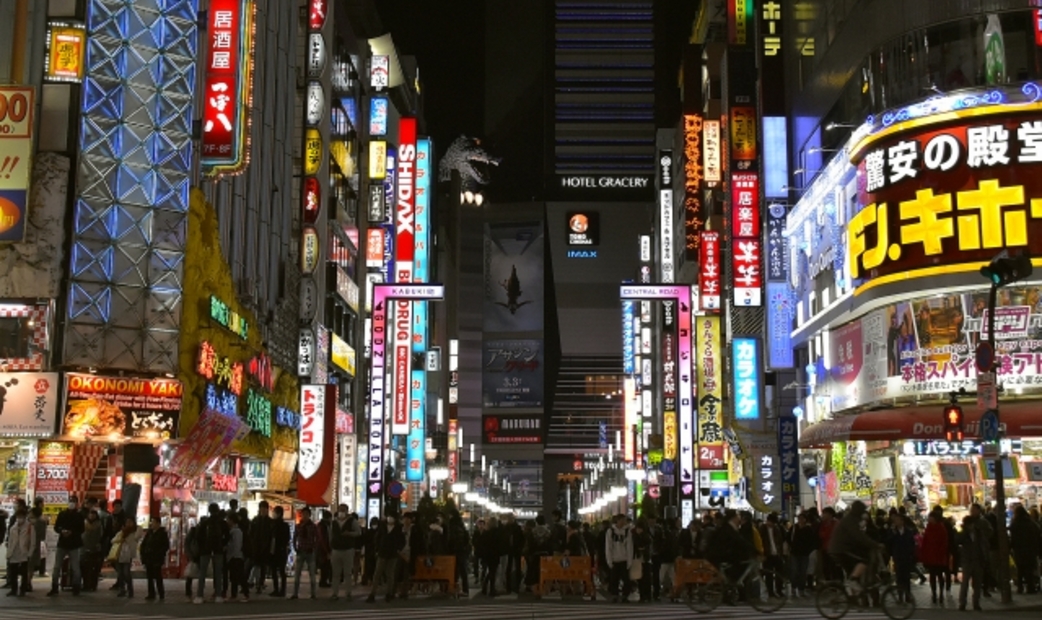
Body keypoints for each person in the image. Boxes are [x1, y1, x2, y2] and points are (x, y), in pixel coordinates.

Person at [827, 501, 880, 593]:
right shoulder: (851, 520)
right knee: (864, 560)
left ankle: (853, 596)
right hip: (842, 549)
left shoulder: (850, 519)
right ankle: (853, 582)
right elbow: (859, 536)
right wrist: (875, 545)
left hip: (840, 549)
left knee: (852, 571)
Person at [706, 509, 757, 586]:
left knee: (737, 567)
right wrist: (755, 551)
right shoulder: (728, 528)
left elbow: (740, 541)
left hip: (722, 554)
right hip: (719, 555)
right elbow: (739, 540)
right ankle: (732, 588)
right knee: (738, 565)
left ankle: (732, 588)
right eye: (738, 516)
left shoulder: (730, 527)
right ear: (733, 518)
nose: (739, 518)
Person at [194, 502, 230, 604]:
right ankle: (218, 595)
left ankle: (199, 596)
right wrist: (223, 545)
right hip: (218, 550)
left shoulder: (205, 522)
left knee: (202, 573)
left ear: (209, 511)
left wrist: (202, 547)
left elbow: (198, 537)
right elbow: (227, 536)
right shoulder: (222, 523)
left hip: (205, 550)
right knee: (218, 573)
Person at [49, 494, 84, 596]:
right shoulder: (62, 514)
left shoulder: (79, 516)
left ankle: (76, 587)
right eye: (70, 501)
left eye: (73, 501)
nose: (71, 503)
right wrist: (61, 531)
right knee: (57, 567)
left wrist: (72, 532)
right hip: (62, 543)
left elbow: (82, 529)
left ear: (76, 503)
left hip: (74, 544)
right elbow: (56, 527)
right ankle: (54, 586)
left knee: (75, 567)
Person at [366, 514, 405, 603]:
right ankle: (372, 594)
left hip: (392, 554)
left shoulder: (398, 528)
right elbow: (377, 538)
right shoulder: (382, 527)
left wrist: (398, 549)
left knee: (390, 574)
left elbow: (402, 540)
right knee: (377, 574)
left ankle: (389, 593)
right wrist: (377, 549)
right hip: (382, 553)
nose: (390, 518)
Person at [329, 504, 361, 601]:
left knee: (347, 573)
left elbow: (358, 532)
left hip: (348, 549)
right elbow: (330, 535)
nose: (341, 512)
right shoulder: (334, 522)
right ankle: (335, 593)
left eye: (343, 510)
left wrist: (349, 534)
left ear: (347, 511)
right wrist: (331, 547)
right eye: (340, 510)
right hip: (336, 549)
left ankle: (348, 593)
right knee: (335, 573)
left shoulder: (352, 521)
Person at [958, 514, 988, 611]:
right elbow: (958, 541)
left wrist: (984, 557)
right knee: (965, 583)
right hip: (967, 561)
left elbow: (983, 544)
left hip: (978, 560)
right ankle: (962, 603)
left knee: (977, 584)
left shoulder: (979, 533)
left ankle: (976, 603)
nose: (970, 527)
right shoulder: (963, 534)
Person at [920, 510, 950, 604]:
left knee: (940, 575)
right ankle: (934, 593)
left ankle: (941, 593)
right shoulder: (929, 528)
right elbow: (925, 541)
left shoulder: (941, 528)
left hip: (938, 555)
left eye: (931, 518)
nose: (929, 519)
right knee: (932, 576)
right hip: (930, 555)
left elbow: (944, 543)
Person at [887, 513, 918, 602]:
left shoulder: (908, 531)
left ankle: (907, 596)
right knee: (899, 577)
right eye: (895, 520)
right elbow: (889, 542)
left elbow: (912, 543)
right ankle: (900, 596)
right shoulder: (893, 531)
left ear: (902, 521)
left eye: (898, 520)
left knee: (907, 577)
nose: (896, 522)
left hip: (907, 556)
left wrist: (911, 554)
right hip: (897, 556)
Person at [1010, 504, 1040, 594]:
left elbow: (1013, 536)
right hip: (1030, 549)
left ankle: (1020, 587)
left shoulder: (1015, 523)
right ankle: (1030, 587)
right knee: (1029, 569)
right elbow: (1037, 534)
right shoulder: (1030, 522)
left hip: (1019, 549)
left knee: (1020, 569)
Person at [290, 507, 320, 600]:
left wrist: (314, 547)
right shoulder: (299, 526)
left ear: (309, 515)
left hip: (310, 551)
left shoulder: (313, 526)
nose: (305, 516)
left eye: (306, 514)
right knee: (297, 573)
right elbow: (295, 537)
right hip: (301, 550)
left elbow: (318, 538)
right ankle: (295, 593)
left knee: (312, 574)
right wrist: (295, 548)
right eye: (303, 514)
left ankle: (313, 593)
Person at [604, 513, 633, 603]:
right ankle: (614, 595)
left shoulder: (627, 531)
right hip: (614, 559)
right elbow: (608, 547)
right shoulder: (610, 531)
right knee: (614, 579)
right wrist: (609, 560)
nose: (624, 522)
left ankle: (625, 595)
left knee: (626, 579)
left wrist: (629, 560)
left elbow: (629, 547)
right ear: (618, 520)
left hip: (624, 559)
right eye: (622, 520)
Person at [7, 507, 34, 596]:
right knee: (13, 572)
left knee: (23, 573)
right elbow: (10, 541)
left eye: (21, 516)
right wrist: (9, 552)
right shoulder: (13, 528)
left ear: (25, 516)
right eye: (18, 516)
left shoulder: (30, 526)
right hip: (14, 552)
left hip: (24, 552)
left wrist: (30, 553)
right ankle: (13, 589)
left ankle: (23, 589)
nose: (19, 518)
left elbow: (33, 541)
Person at [140, 516, 169, 601]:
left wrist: (159, 554)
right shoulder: (149, 533)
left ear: (158, 523)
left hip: (157, 558)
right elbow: (144, 544)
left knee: (157, 576)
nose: (152, 524)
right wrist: (143, 554)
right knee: (149, 577)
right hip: (148, 557)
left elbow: (165, 546)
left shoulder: (162, 533)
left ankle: (161, 593)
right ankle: (151, 593)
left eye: (153, 522)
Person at [790, 511, 818, 597]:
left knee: (803, 572)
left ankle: (801, 589)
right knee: (795, 571)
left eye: (802, 519)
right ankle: (794, 588)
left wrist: (808, 550)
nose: (800, 520)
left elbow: (812, 541)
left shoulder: (808, 529)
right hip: (794, 553)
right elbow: (788, 539)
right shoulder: (794, 528)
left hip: (804, 554)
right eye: (799, 519)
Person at [247, 500, 273, 593]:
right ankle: (256, 583)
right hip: (256, 547)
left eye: (264, 509)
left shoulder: (269, 522)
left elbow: (271, 536)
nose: (263, 510)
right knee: (255, 565)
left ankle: (259, 583)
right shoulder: (255, 520)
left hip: (265, 548)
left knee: (262, 567)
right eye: (262, 509)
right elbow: (250, 534)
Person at [113, 520, 143, 598]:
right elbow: (112, 540)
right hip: (119, 554)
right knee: (120, 573)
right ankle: (122, 589)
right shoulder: (121, 532)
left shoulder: (135, 533)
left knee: (126, 573)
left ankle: (130, 590)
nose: (128, 524)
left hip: (128, 555)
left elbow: (138, 535)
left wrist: (138, 527)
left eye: (130, 522)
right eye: (127, 522)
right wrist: (119, 540)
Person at [107, 499, 128, 592]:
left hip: (121, 543)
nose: (117, 508)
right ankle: (121, 580)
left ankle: (121, 582)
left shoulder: (124, 517)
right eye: (115, 506)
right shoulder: (110, 517)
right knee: (114, 562)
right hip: (112, 542)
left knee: (119, 563)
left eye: (118, 506)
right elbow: (107, 530)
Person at [80, 508, 104, 592]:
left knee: (94, 568)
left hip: (95, 549)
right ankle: (86, 584)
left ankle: (93, 585)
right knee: (84, 568)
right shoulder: (84, 523)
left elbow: (100, 536)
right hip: (84, 548)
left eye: (93, 514)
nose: (92, 516)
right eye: (90, 514)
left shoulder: (99, 525)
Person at [225, 513, 248, 602]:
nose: (227, 521)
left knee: (239, 576)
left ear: (232, 520)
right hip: (234, 556)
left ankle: (245, 593)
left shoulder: (237, 531)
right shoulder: (233, 530)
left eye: (228, 519)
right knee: (234, 577)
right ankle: (234, 594)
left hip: (236, 557)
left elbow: (237, 545)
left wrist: (232, 555)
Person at [448, 512, 471, 595]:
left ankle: (454, 588)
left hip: (455, 551)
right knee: (463, 571)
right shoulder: (462, 527)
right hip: (462, 551)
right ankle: (465, 589)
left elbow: (451, 540)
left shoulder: (452, 527)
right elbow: (466, 539)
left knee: (455, 571)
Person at [269, 506, 290, 597]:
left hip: (277, 550)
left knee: (276, 571)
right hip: (280, 550)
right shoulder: (284, 525)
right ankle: (281, 590)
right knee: (280, 571)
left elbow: (274, 538)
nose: (273, 514)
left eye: (274, 512)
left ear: (278, 514)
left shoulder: (275, 525)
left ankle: (277, 589)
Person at [27, 507, 46, 589]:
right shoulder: (42, 522)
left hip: (30, 546)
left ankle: (27, 583)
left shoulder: (32, 524)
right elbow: (43, 536)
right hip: (36, 546)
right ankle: (28, 582)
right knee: (30, 567)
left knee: (28, 566)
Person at [317, 509, 333, 588]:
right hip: (323, 549)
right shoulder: (323, 526)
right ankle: (323, 581)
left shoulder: (326, 525)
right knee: (324, 565)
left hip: (324, 548)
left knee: (326, 565)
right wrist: (327, 550)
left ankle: (324, 580)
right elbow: (323, 539)